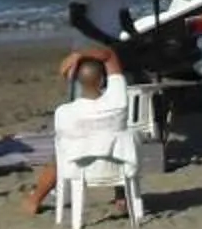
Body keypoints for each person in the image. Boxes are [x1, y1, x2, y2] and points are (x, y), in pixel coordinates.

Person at [25, 48, 137, 216]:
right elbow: (110, 55)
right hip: (118, 164)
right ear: (101, 81)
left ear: (77, 81)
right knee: (117, 140)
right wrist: (78, 55)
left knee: (59, 154)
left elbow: (63, 145)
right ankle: (122, 197)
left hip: (81, 169)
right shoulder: (118, 99)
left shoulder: (65, 112)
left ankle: (33, 201)